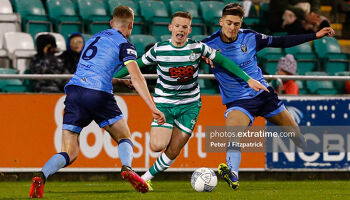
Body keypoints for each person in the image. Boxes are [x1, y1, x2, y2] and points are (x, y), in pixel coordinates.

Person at [114, 11, 268, 191]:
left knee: (174, 150)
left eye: (184, 27)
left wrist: (248, 79)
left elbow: (224, 62)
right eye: (177, 26)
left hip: (190, 105)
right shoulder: (158, 50)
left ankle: (144, 178)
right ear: (171, 28)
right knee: (157, 146)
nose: (180, 30)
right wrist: (112, 77)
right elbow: (134, 66)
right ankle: (151, 164)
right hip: (164, 103)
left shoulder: (198, 48)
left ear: (189, 30)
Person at [29, 6, 165, 198]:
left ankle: (41, 176)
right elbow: (138, 77)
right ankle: (127, 168)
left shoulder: (94, 38)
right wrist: (153, 107)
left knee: (69, 152)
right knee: (124, 137)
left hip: (74, 92)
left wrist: (118, 81)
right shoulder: (125, 44)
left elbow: (93, 70)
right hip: (98, 93)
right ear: (131, 25)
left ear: (111, 23)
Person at [202, 3, 335, 190]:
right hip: (238, 101)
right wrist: (200, 56)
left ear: (241, 24)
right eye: (229, 23)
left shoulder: (251, 37)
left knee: (295, 133)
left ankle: (314, 159)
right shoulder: (207, 45)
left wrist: (315, 35)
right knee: (233, 135)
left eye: (237, 24)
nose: (232, 28)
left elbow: (281, 41)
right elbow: (186, 56)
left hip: (263, 94)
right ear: (221, 21)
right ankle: (233, 174)